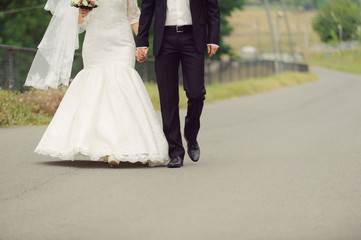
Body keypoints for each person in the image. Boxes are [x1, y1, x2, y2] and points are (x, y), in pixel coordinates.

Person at [25, 0, 169, 167]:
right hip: (96, 42)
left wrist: (142, 43)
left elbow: (134, 16)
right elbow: (79, 21)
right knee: (97, 91)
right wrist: (80, 14)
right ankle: (106, 148)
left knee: (121, 87)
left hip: (122, 42)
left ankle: (118, 148)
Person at [136, 0, 221, 168]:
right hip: (165, 39)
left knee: (196, 93)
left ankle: (191, 134)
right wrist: (142, 41)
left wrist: (213, 38)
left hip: (193, 37)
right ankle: (175, 151)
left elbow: (212, 8)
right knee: (168, 99)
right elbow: (147, 10)